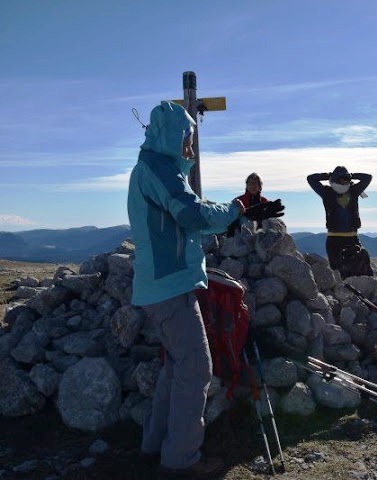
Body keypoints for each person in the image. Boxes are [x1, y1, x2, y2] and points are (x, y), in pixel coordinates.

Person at [127, 101, 283, 477]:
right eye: (186, 138)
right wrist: (235, 210)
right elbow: (193, 215)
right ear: (171, 136)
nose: (190, 147)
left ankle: (156, 445)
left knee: (176, 367)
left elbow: (188, 214)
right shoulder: (159, 169)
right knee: (197, 369)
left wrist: (234, 214)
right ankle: (180, 460)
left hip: (163, 284)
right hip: (170, 286)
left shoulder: (155, 168)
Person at [307, 166, 372, 273]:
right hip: (336, 240)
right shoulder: (327, 192)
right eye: (342, 179)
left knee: (359, 268)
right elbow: (311, 178)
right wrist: (328, 175)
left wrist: (351, 175)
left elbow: (367, 177)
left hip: (350, 238)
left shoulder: (353, 190)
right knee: (337, 272)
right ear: (335, 179)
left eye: (346, 179)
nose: (345, 182)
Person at [226, 172, 268, 236]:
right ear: (247, 186)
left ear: (260, 186)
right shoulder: (238, 201)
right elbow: (230, 218)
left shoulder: (265, 202)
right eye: (250, 183)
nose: (252, 186)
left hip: (261, 236)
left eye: (255, 183)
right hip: (240, 236)